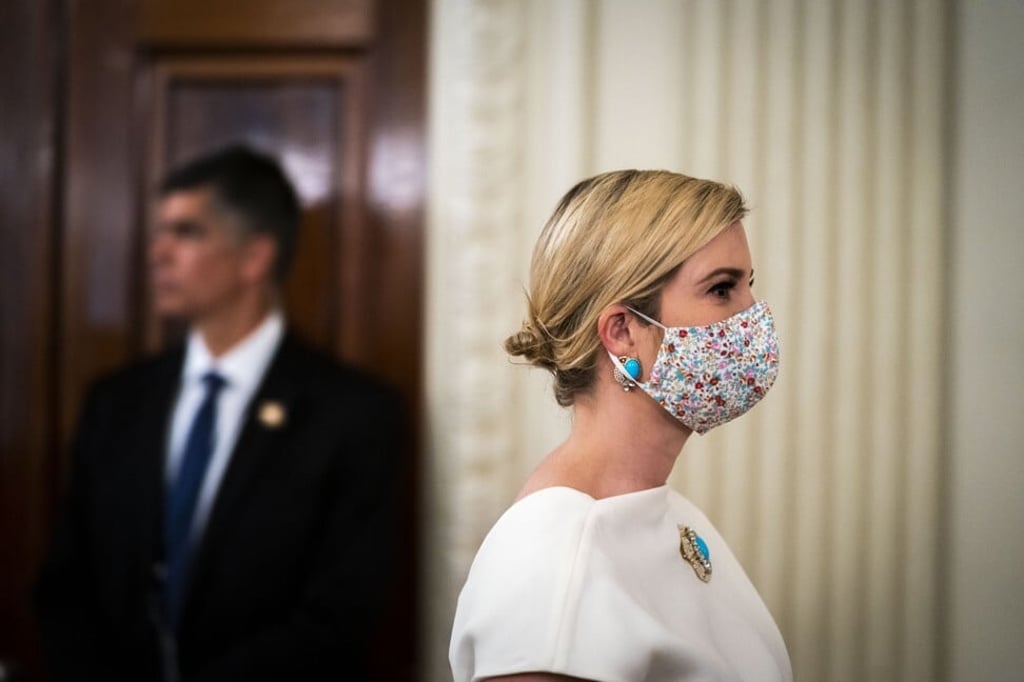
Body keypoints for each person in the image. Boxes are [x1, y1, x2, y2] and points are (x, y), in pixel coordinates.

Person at [35, 145, 405, 681]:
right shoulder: (116, 402)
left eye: (186, 232)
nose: (157, 253)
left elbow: (340, 615)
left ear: (255, 257)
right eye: (160, 232)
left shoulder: (354, 415)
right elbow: (65, 586)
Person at [449, 170, 793, 681]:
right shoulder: (557, 562)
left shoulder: (661, 511)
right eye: (722, 289)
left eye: (749, 286)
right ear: (623, 332)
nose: (753, 316)